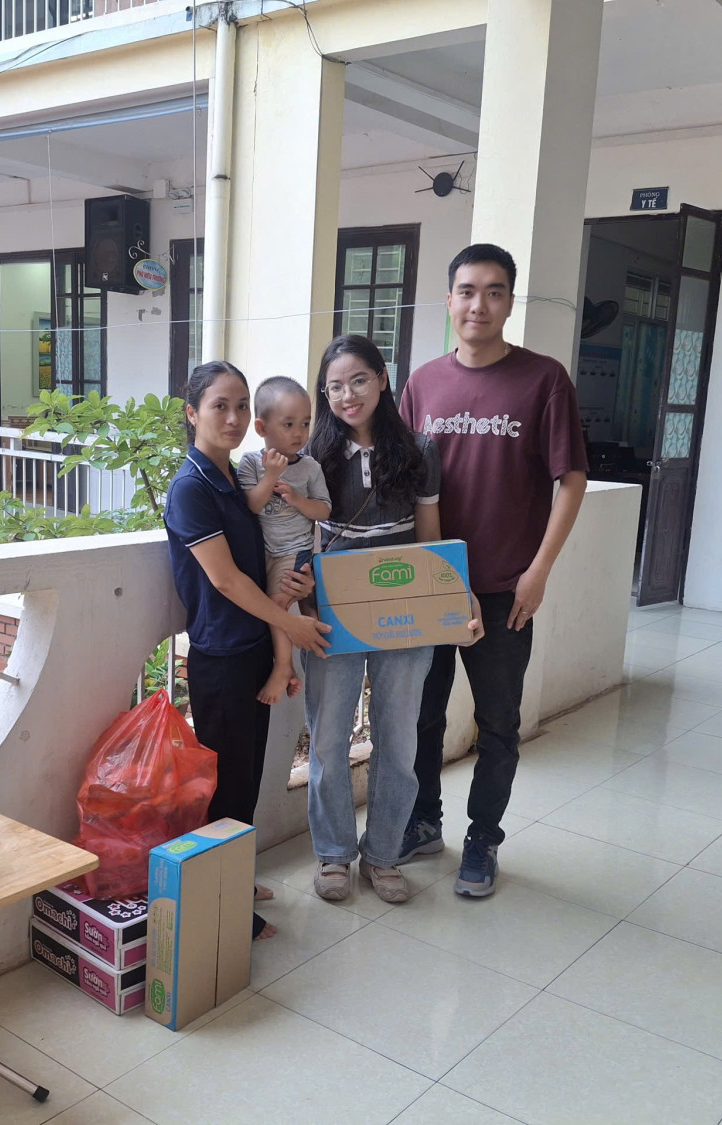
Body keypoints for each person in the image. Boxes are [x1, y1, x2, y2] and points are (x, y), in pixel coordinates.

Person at [398, 243, 589, 897]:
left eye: (494, 291)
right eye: (467, 290)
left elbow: (571, 479)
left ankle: (483, 839)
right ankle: (423, 820)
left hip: (508, 587)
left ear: (509, 302)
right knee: (421, 716)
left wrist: (539, 571)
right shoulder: (422, 383)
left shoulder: (543, 379)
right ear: (449, 300)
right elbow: (402, 483)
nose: (479, 304)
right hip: (433, 583)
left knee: (498, 723)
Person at [302, 335, 481, 905]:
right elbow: (296, 535)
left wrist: (455, 596)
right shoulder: (312, 456)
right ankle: (334, 853)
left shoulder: (420, 451)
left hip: (404, 613)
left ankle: (382, 854)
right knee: (328, 742)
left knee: (399, 741)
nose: (347, 395)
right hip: (331, 612)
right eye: (334, 386)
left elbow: (429, 540)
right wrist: (298, 601)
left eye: (358, 380)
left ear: (382, 379)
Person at [164, 360, 332, 939]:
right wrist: (295, 628)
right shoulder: (191, 487)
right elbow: (227, 580)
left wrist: (291, 593)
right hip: (221, 655)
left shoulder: (235, 478)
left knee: (248, 777)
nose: (233, 417)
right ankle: (222, 907)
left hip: (254, 643)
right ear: (193, 413)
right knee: (225, 784)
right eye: (220, 406)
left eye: (241, 406)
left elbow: (262, 561)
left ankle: (233, 875)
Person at [235, 377, 332, 705]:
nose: (299, 433)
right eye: (289, 424)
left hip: (295, 550)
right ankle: (298, 656)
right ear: (261, 428)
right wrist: (272, 476)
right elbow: (251, 505)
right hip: (262, 552)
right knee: (267, 607)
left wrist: (298, 500)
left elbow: (324, 510)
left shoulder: (310, 467)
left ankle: (283, 667)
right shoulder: (250, 463)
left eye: (305, 423)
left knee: (276, 605)